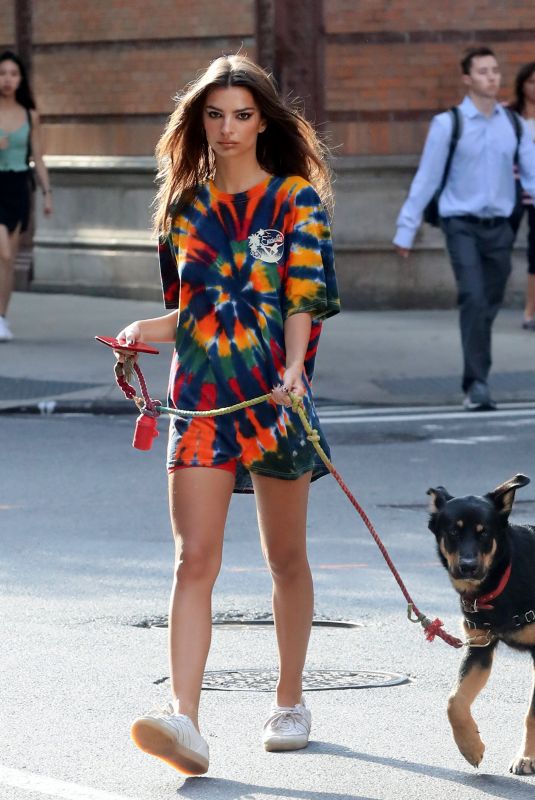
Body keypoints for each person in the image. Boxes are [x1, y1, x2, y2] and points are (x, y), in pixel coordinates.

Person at [114, 54, 340, 776]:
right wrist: (135, 334)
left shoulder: (295, 199)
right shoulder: (185, 206)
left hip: (276, 399)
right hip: (202, 397)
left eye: (241, 114)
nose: (227, 128)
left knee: (285, 558)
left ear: (263, 119)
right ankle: (185, 719)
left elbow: (301, 298)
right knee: (193, 560)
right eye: (214, 114)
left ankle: (289, 698)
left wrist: (297, 369)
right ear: (198, 122)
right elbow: (192, 312)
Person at [393, 46, 535, 411]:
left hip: (501, 227)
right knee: (473, 297)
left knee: (488, 303)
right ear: (468, 79)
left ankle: (476, 363)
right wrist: (406, 229)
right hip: (461, 225)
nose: (492, 77)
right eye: (484, 71)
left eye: (496, 71)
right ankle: (476, 384)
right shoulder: (448, 124)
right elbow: (426, 179)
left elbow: (532, 176)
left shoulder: (514, 125)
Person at [0, 50, 52, 341]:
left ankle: (1, 317)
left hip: (19, 186)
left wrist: (47, 193)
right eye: (3, 73)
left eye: (13, 74)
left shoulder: (30, 115)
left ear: (20, 79)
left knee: (8, 260)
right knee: (3, 251)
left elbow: (39, 158)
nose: (7, 79)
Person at [509, 61, 535, 329]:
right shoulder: (508, 113)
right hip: (512, 190)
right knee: (500, 244)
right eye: (531, 82)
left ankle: (530, 310)